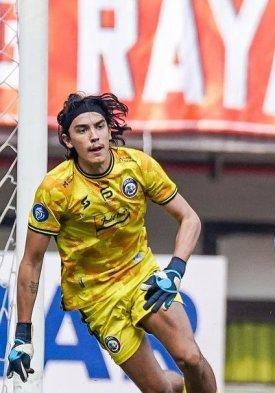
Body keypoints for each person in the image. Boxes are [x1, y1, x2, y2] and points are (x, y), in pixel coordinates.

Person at [7, 93, 217, 392]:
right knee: (161, 390)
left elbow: (189, 218)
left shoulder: (138, 166)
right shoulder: (55, 190)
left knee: (190, 357)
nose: (94, 137)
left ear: (109, 129)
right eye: (82, 130)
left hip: (141, 277)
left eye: (99, 126)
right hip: (97, 298)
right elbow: (31, 261)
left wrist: (175, 270)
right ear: (68, 141)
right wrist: (22, 334)